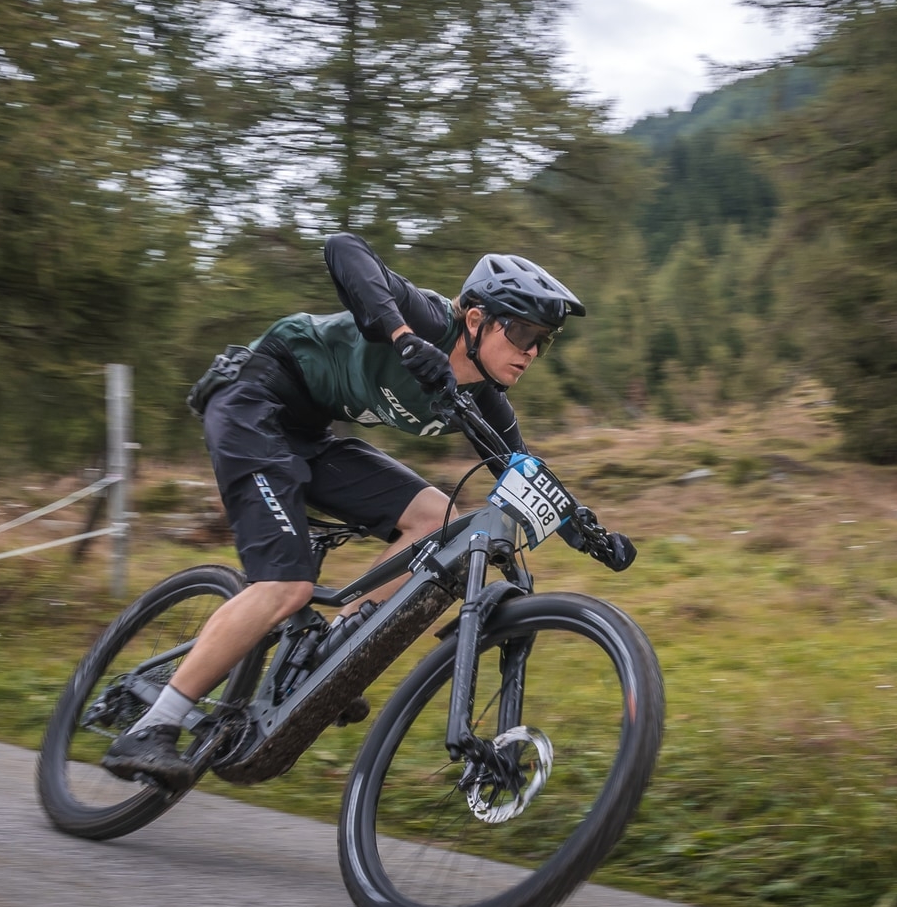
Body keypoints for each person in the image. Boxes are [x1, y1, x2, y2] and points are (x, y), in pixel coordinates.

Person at [101, 232, 636, 788]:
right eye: (522, 332)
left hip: (310, 433)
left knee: (436, 519)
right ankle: (151, 727)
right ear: (476, 319)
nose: (530, 351)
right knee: (286, 586)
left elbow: (521, 472)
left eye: (541, 342)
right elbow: (343, 249)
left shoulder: (485, 400)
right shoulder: (431, 320)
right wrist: (404, 338)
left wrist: (587, 532)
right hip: (253, 400)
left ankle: (337, 653)